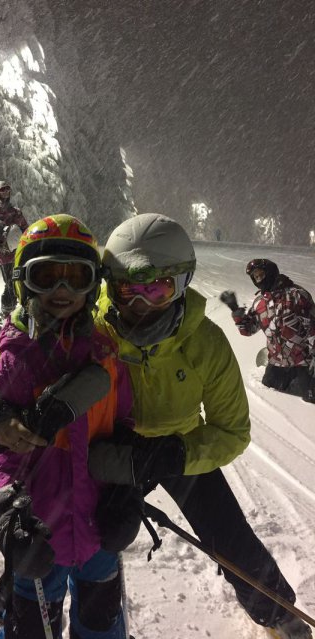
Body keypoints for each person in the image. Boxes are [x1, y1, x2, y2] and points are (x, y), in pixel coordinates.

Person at [85, 214, 312, 639]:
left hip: (180, 446)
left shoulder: (203, 341)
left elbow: (232, 430)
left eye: (158, 289)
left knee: (229, 535)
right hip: (115, 452)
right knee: (92, 536)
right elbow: (15, 350)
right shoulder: (93, 330)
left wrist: (176, 454)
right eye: (128, 290)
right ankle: (95, 622)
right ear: (109, 286)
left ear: (182, 284)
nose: (141, 304)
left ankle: (277, 612)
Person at [0, 214, 138, 639]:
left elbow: (124, 424)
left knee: (101, 623)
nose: (62, 290)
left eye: (76, 277)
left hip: (97, 529)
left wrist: (126, 491)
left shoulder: (106, 353)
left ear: (93, 285)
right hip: (39, 535)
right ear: (24, 283)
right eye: (46, 277)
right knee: (29, 628)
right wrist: (7, 508)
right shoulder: (18, 361)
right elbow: (0, 448)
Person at [220, 259, 315, 403]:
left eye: (261, 274)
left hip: (303, 362)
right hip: (277, 362)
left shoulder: (296, 295)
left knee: (309, 401)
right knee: (268, 395)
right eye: (255, 277)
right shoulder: (260, 303)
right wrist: (235, 310)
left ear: (270, 272)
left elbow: (313, 328)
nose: (259, 279)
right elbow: (248, 329)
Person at [0, 180, 28, 327]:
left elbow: (25, 228)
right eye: (2, 191)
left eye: (7, 190)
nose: (6, 193)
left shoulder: (16, 211)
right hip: (4, 256)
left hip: (19, 252)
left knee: (19, 281)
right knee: (10, 283)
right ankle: (6, 312)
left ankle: (15, 309)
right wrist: (0, 244)